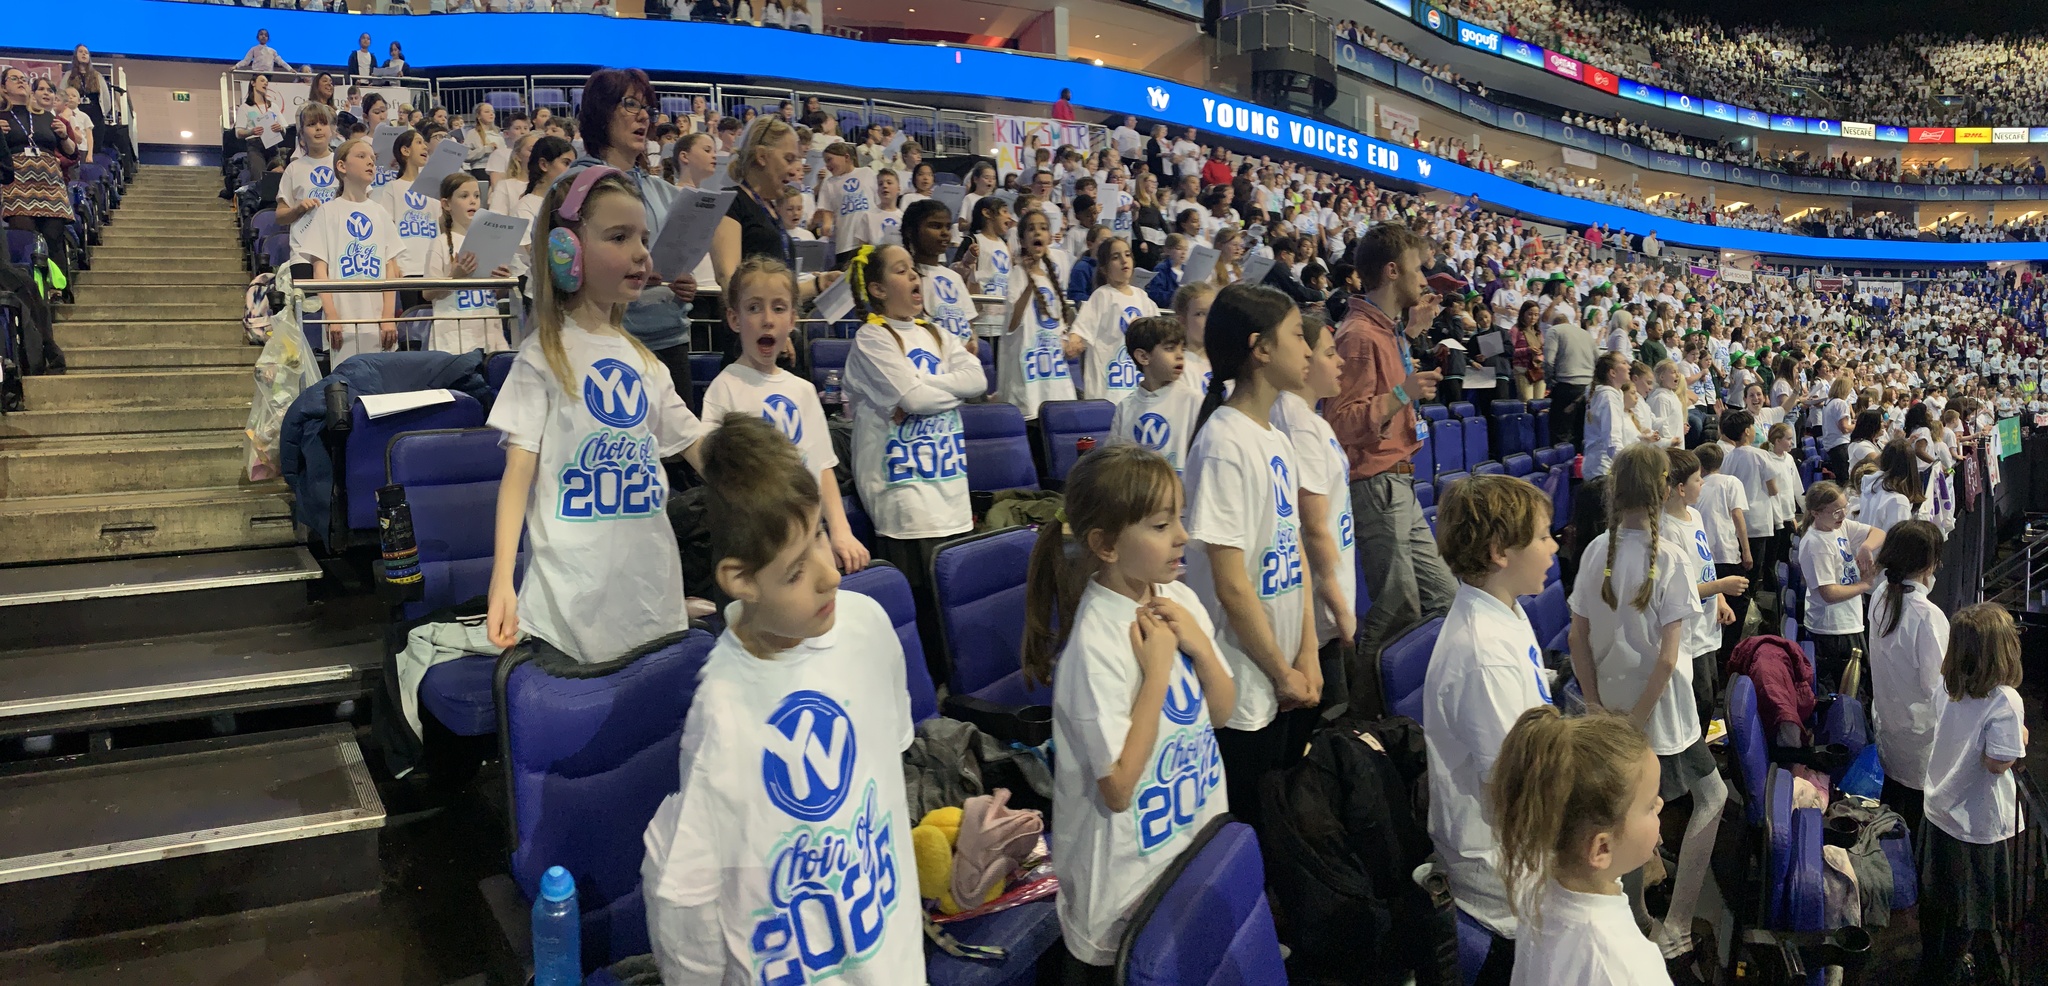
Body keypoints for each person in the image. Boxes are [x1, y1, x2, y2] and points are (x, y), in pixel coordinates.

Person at [640, 413, 924, 985]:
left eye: (820, 533)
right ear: (739, 579)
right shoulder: (723, 714)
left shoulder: (867, 625)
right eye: (795, 572)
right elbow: (687, 906)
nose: (830, 578)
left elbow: (887, 780)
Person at [1023, 444, 1235, 982]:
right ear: (1106, 545)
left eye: (1179, 518)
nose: (1182, 535)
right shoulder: (1094, 644)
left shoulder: (1177, 601)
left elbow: (1221, 713)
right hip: (1121, 890)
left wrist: (1202, 652)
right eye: (1162, 524)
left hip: (1184, 851)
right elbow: (1117, 788)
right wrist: (1159, 673)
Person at [485, 166, 707, 662]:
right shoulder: (542, 357)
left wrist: (765, 472)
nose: (641, 253)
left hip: (651, 603)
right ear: (567, 253)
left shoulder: (646, 362)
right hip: (567, 611)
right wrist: (503, 581)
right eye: (619, 236)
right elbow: (516, 480)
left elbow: (700, 451)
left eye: (643, 237)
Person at [1566, 442, 1716, 959]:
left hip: (1611, 710)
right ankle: (1670, 921)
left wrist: (1593, 708)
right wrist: (1636, 720)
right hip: (1661, 714)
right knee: (1711, 800)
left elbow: (1576, 640)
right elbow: (1670, 659)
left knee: (1629, 814)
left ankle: (1640, 917)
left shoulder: (1595, 550)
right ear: (1659, 492)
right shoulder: (1668, 556)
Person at [1183, 283, 1316, 831]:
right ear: (1261, 348)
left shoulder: (1274, 437)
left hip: (1284, 668)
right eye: (1298, 337)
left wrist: (1306, 654)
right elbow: (1231, 583)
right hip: (1245, 680)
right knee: (1251, 826)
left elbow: (1296, 555)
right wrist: (1280, 671)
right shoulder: (1223, 443)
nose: (1308, 350)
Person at [1422, 474, 1558, 980]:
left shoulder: (1505, 611)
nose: (1554, 544)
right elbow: (1514, 787)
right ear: (1501, 551)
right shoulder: (1484, 655)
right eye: (1543, 536)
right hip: (1501, 875)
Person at [1327, 223, 1452, 702]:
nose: (1426, 279)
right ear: (1393, 270)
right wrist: (1404, 391)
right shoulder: (1359, 336)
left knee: (1444, 599)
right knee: (1397, 604)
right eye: (1419, 269)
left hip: (1397, 483)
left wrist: (1412, 335)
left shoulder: (1384, 330)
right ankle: (1364, 709)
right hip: (1377, 484)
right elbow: (1341, 421)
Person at [842, 243, 985, 650]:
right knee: (918, 625)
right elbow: (918, 399)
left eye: (913, 270)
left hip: (951, 496)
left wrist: (921, 390)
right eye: (902, 271)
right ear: (879, 289)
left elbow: (976, 380)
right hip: (906, 503)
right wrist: (926, 394)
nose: (914, 278)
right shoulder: (873, 339)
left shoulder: (936, 331)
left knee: (951, 621)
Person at [702, 256, 868, 572]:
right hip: (757, 547)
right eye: (754, 308)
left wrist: (841, 531)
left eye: (778, 308)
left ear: (793, 320)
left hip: (809, 537)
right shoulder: (724, 389)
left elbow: (823, 467)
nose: (767, 319)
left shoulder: (803, 390)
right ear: (734, 319)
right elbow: (717, 478)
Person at [1492, 708, 1673, 986]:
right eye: (1649, 806)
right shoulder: (1629, 969)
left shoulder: (1538, 886)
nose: (1660, 805)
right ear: (1601, 849)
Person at [1919, 602, 2028, 984]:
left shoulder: (1947, 686)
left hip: (1939, 809)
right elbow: (1998, 762)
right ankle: (1949, 971)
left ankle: (1932, 966)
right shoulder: (2005, 701)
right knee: (1969, 910)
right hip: (1975, 821)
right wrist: (2021, 738)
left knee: (1938, 902)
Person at [570, 69, 700, 386]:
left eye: (648, 109)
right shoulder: (574, 187)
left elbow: (678, 264)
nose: (644, 116)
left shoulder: (664, 191)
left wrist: (684, 288)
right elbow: (561, 269)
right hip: (606, 345)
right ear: (601, 113)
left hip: (670, 342)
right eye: (631, 105)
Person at [1272, 314, 1357, 722]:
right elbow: (1313, 525)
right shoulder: (1296, 421)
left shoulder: (1309, 419)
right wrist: (1339, 604)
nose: (1339, 362)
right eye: (1328, 353)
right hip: (1317, 607)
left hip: (1323, 603)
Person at [1868, 519, 1946, 834]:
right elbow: (1938, 688)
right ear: (1930, 563)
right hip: (1919, 738)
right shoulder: (1926, 616)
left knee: (1892, 809)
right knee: (1912, 827)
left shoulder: (1881, 593)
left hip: (1891, 725)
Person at [304, 138, 402, 367]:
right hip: (343, 320)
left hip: (378, 320)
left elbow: (390, 267)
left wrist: (388, 317)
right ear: (342, 166)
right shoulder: (327, 212)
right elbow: (320, 268)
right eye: (361, 156)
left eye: (373, 159)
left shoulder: (380, 212)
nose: (370, 162)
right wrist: (331, 315)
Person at [1665, 448, 1744, 731]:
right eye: (1698, 479)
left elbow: (1705, 563)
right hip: (1688, 634)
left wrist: (1720, 598)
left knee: (1711, 690)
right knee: (1699, 701)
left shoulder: (1694, 516)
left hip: (1707, 624)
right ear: (1680, 488)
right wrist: (1722, 585)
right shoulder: (1667, 531)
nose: (1703, 484)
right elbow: (1676, 592)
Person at [1795, 481, 1884, 696]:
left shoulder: (1839, 526)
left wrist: (1865, 547)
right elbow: (1829, 593)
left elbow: (1878, 532)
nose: (1842, 515)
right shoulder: (1817, 544)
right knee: (1850, 693)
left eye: (1844, 508)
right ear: (1815, 513)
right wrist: (1864, 585)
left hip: (1848, 619)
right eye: (1835, 511)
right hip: (1833, 628)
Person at [996, 206, 1081, 423]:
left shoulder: (1051, 276)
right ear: (1023, 241)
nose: (1038, 233)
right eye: (1031, 229)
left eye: (1043, 228)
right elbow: (1011, 324)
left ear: (1049, 237)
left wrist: (1066, 341)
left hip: (1052, 371)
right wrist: (1028, 283)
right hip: (1028, 370)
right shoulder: (1017, 274)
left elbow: (1058, 323)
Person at [2, 71, 80, 292]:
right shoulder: (1, 116)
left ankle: (59, 290)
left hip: (50, 183)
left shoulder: (47, 117)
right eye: (14, 79)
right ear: (3, 87)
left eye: (24, 80)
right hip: (16, 181)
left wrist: (64, 135)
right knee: (25, 235)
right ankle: (32, 292)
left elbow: (72, 154)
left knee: (54, 236)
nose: (21, 83)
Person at [420, 173, 511, 354]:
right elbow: (427, 293)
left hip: (489, 335)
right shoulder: (440, 243)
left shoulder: (489, 242)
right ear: (446, 204)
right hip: (454, 339)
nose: (473, 201)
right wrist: (455, 277)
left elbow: (494, 294)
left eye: (477, 196)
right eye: (464, 196)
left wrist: (502, 283)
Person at [1074, 237, 1159, 405]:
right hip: (1108, 389)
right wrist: (1073, 342)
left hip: (1137, 387)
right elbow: (1081, 331)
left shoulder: (1142, 297)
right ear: (1104, 269)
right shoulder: (1101, 296)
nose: (1123, 260)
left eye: (1127, 255)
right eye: (1115, 257)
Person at [1109, 316, 1199, 473]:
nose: (1180, 356)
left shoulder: (1195, 402)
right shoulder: (1126, 407)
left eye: (1182, 349)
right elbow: (1113, 462)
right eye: (1170, 348)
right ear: (1143, 357)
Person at [1693, 443, 1751, 662]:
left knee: (1711, 607)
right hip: (1726, 552)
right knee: (1737, 605)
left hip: (1705, 557)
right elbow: (1738, 518)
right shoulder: (1731, 482)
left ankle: (1716, 651)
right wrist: (1746, 550)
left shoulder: (1697, 485)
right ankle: (1728, 654)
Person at [373, 130, 443, 294]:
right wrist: (393, 263)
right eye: (419, 142)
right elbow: (386, 229)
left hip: (434, 266)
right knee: (412, 317)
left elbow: (442, 224)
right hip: (408, 266)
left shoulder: (434, 189)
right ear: (405, 151)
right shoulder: (393, 188)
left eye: (425, 143)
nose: (425, 146)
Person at [277, 102, 338, 263]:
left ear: (332, 131)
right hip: (302, 253)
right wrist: (298, 209)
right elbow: (280, 216)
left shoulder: (344, 165)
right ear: (302, 136)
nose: (318, 128)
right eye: (311, 124)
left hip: (338, 249)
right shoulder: (293, 169)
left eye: (323, 123)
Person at [1544, 309, 1597, 447]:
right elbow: (1599, 360)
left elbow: (1549, 361)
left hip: (1566, 385)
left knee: (1561, 433)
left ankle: (1561, 465)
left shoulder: (1554, 331)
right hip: (1587, 388)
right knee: (1580, 432)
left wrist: (1550, 382)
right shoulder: (1585, 334)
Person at [1581, 352, 1637, 481]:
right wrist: (1628, 468)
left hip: (1602, 467)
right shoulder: (1608, 397)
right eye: (1623, 363)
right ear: (1612, 373)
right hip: (1603, 469)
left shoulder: (1611, 395)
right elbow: (1612, 440)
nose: (1629, 367)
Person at [235, 75, 286, 174]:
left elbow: (284, 129)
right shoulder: (245, 107)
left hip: (273, 145)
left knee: (276, 177)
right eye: (262, 81)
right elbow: (238, 133)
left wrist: (280, 128)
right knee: (258, 177)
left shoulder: (273, 106)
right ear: (253, 83)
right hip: (255, 146)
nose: (265, 83)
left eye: (266, 82)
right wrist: (251, 131)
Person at [234, 29, 304, 77]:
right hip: (257, 74)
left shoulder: (272, 51)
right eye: (261, 34)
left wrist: (290, 69)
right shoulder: (254, 49)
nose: (263, 36)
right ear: (257, 37)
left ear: (268, 38)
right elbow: (246, 61)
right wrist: (236, 66)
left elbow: (280, 61)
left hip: (268, 74)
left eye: (266, 35)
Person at [462, 101, 504, 181]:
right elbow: (466, 155)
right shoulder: (473, 133)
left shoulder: (499, 134)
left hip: (499, 170)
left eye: (493, 112)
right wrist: (485, 150)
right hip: (481, 169)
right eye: (487, 112)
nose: (491, 114)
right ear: (478, 116)